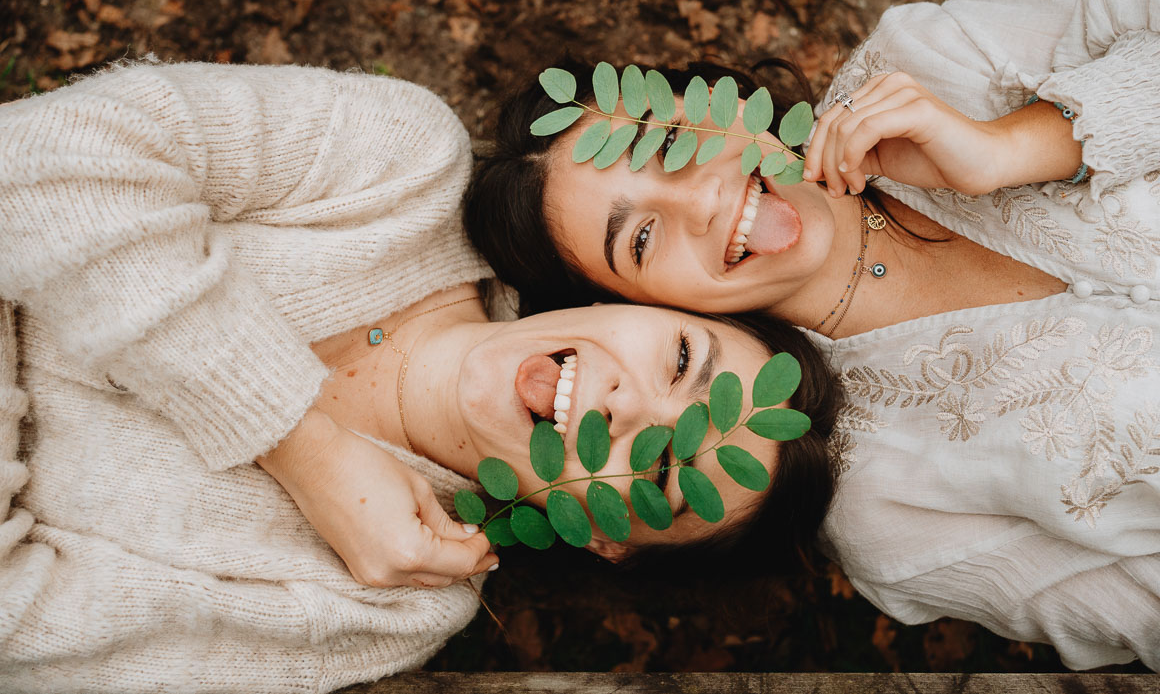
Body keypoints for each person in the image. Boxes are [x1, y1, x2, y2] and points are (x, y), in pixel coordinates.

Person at [465, 0, 1160, 673]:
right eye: (639, 240)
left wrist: (1022, 145)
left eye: (668, 142)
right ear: (626, 311)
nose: (703, 195)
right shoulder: (888, 513)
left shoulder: (921, 63)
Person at [0, 61, 837, 691]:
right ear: (635, 297)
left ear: (604, 536)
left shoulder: (389, 605)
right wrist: (298, 442)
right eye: (684, 361)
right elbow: (35, 158)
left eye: (662, 470)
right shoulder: (401, 171)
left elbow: (19, 632)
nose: (630, 404)